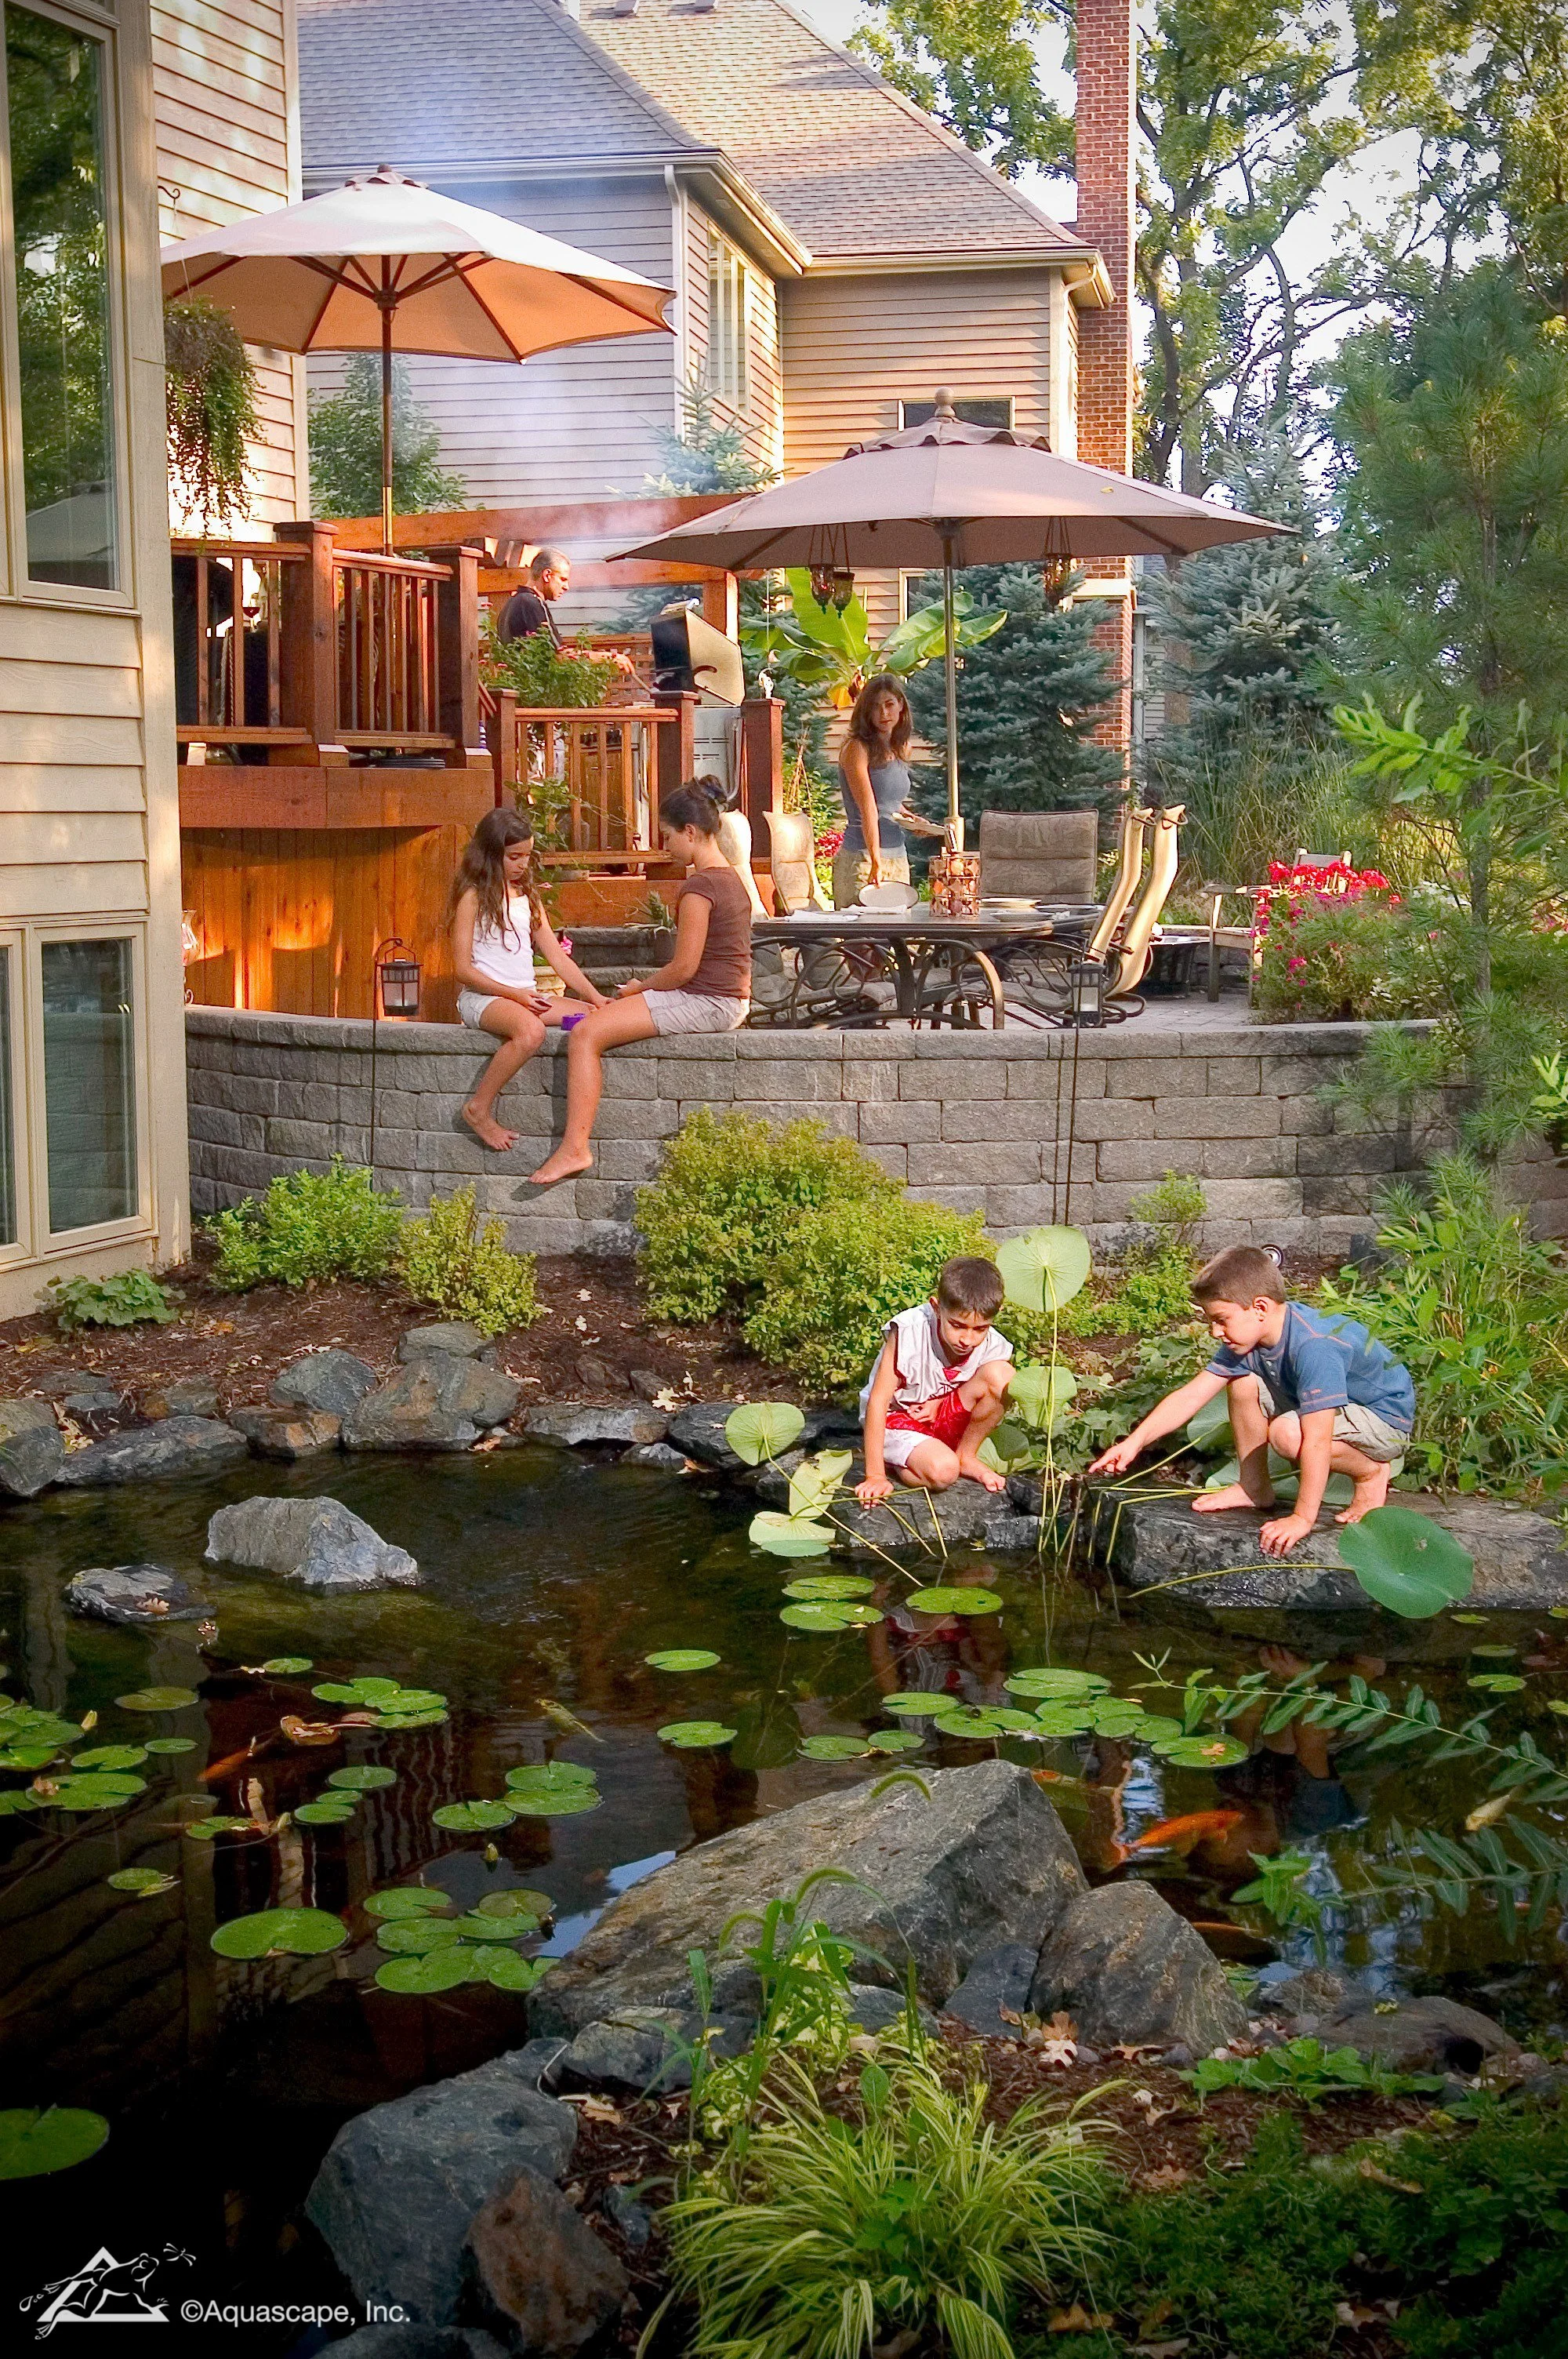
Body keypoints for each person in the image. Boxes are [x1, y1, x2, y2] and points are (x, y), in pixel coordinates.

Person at [1087, 1241, 1415, 1557]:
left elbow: (1316, 1439)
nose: (1215, 1332)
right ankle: (1253, 1486)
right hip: (1334, 1411)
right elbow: (1190, 1396)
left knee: (1288, 1435)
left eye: (1220, 1320)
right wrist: (1133, 1443)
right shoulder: (1250, 1338)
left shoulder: (1315, 1347)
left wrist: (1302, 1518)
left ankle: (1370, 1473)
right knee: (1241, 1383)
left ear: (1260, 1307)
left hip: (1383, 1421)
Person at [529, 780, 753, 1187]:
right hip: (719, 998)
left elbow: (684, 968)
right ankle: (544, 1022)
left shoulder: (700, 887)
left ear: (690, 832)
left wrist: (640, 988)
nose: (666, 846)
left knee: (586, 1036)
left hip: (710, 1001)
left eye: (668, 836)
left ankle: (575, 1147)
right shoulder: (733, 878)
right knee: (595, 1016)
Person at [448, 808, 606, 1151]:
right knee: (531, 1032)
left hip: (526, 997)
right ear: (491, 854)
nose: (522, 865)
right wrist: (515, 996)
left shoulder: (528, 899)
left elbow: (557, 957)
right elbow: (461, 969)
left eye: (527, 857)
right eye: (513, 857)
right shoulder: (473, 897)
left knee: (591, 1018)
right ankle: (478, 1108)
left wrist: (595, 997)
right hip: (485, 999)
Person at [855, 1256, 1014, 1506]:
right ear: (936, 1307)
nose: (968, 1339)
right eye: (957, 1325)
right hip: (897, 1417)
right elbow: (878, 1400)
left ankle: (966, 1455)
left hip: (937, 1414)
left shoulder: (994, 1344)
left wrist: (940, 1402)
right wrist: (875, 1475)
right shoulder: (908, 1330)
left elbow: (974, 1385)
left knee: (1003, 1376)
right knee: (943, 1472)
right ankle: (896, 1459)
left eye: (980, 1329)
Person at [833, 672, 943, 907]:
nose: (883, 713)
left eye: (889, 704)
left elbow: (888, 801)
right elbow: (868, 808)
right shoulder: (856, 748)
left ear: (901, 706)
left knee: (896, 935)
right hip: (862, 856)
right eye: (875, 707)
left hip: (897, 853)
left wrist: (911, 818)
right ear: (866, 712)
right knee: (863, 941)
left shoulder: (902, 747)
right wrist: (875, 861)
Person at [496, 547, 635, 676]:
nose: (566, 587)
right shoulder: (532, 602)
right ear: (547, 575)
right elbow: (558, 657)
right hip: (537, 696)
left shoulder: (510, 604)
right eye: (563, 579)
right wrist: (610, 658)